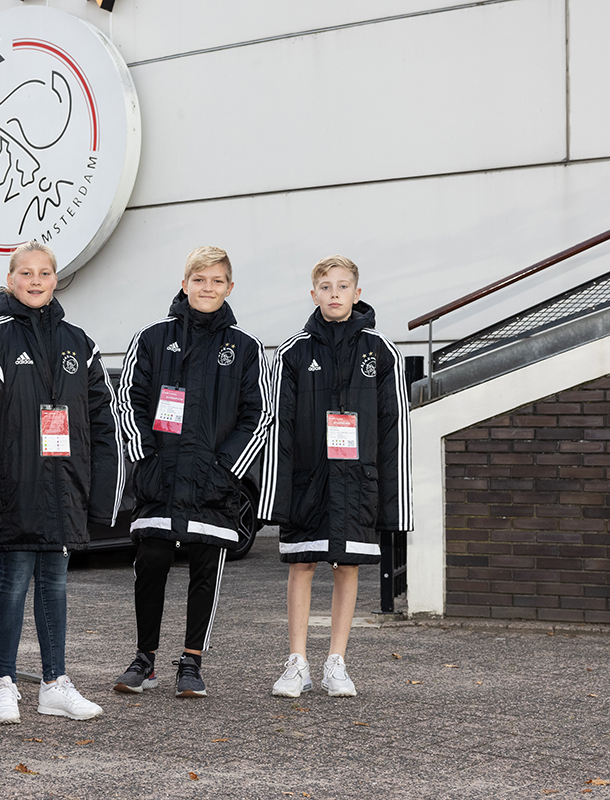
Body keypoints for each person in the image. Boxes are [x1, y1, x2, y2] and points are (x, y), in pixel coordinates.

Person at [0, 241, 123, 725]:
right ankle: (4, 683)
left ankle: (54, 684)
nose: (34, 281)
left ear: (56, 279)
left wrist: (101, 490)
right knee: (12, 583)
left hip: (63, 488)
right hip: (16, 489)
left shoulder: (80, 342)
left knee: (54, 585)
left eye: (44, 273)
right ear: (10, 281)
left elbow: (101, 420)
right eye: (25, 273)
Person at [113, 246, 269, 698]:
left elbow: (258, 414)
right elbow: (129, 400)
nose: (207, 288)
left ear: (230, 287)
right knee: (153, 563)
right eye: (199, 279)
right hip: (161, 477)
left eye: (217, 280)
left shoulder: (246, 348)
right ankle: (145, 659)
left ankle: (191, 662)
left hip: (214, 484)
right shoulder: (152, 338)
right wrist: (147, 457)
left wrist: (225, 467)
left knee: (206, 570)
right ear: (184, 284)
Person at [260, 255, 412, 698]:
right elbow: (277, 424)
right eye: (325, 287)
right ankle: (297, 662)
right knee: (302, 563)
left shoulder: (382, 352)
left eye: (342, 286)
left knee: (348, 564)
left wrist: (392, 497)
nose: (334, 294)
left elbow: (393, 428)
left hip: (357, 481)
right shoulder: (291, 352)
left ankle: (336, 662)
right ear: (313, 295)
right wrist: (278, 493)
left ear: (357, 293)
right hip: (309, 479)